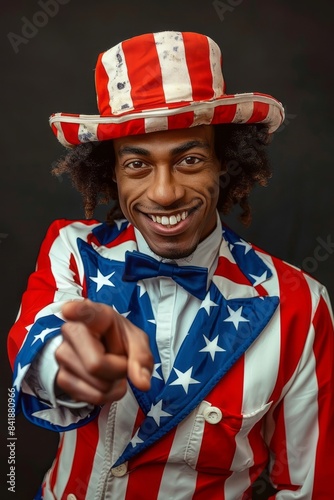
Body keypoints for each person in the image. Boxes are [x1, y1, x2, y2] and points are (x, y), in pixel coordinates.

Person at [7, 31, 334, 500]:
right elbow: (35, 340)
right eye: (138, 165)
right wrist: (67, 358)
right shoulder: (71, 250)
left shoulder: (303, 305)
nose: (164, 194)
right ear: (111, 172)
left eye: (191, 160)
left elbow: (311, 487)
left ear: (226, 164)